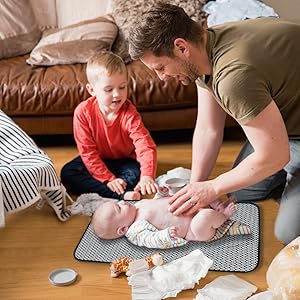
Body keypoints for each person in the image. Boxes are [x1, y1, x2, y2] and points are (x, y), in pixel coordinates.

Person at [128, 3, 300, 244]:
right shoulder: (203, 49)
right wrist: (197, 188)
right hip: (285, 123)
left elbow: (276, 154)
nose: (162, 77)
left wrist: (212, 188)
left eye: (161, 67)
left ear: (180, 47)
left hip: (287, 141)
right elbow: (209, 128)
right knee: (240, 192)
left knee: (288, 233)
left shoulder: (234, 77)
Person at [61, 51, 158, 201]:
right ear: (92, 90)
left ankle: (116, 190)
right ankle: (120, 194)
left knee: (135, 174)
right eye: (108, 89)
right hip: (98, 159)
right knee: (68, 173)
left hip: (126, 161)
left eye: (122, 87)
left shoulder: (129, 113)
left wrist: (147, 176)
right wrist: (108, 179)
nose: (117, 95)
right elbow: (87, 152)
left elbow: (144, 144)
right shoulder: (83, 112)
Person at [91, 196, 237, 248]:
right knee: (205, 217)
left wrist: (162, 194)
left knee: (197, 190)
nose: (123, 201)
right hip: (194, 228)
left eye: (118, 202)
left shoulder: (138, 205)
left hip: (191, 207)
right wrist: (165, 236)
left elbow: (157, 204)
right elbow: (150, 240)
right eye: (119, 208)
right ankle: (222, 216)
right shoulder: (136, 230)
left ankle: (215, 204)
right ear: (122, 229)